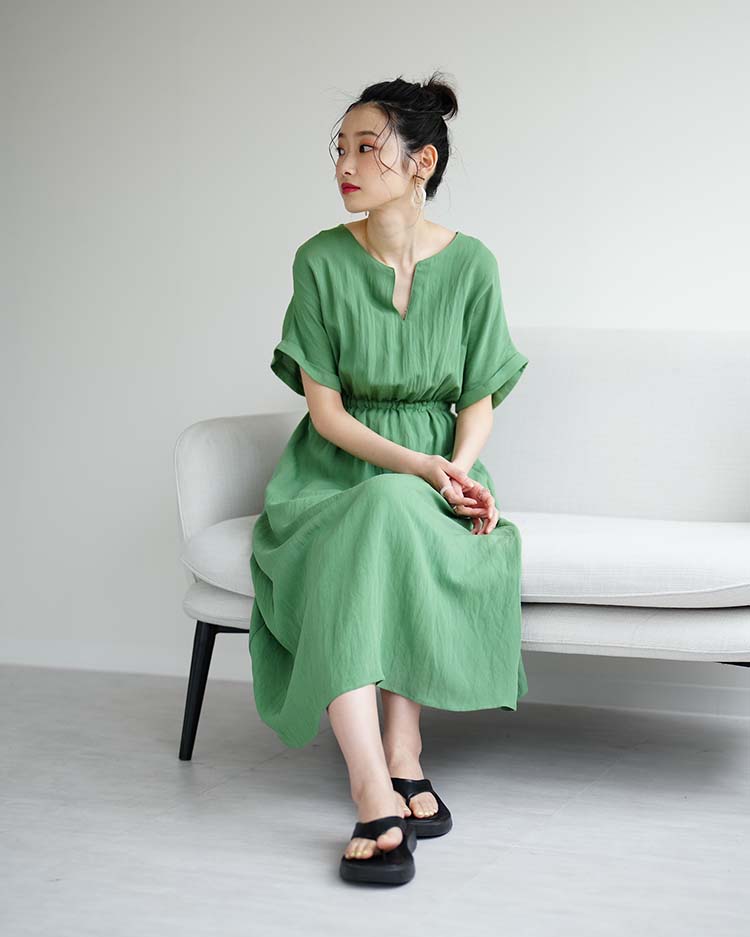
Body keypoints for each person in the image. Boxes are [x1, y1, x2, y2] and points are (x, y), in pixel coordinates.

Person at [249, 71, 530, 886]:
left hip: (440, 470)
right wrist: (420, 469)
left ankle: (404, 749)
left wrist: (458, 474)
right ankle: (375, 787)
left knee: (397, 517)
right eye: (339, 148)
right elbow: (328, 415)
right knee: (381, 508)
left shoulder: (473, 265)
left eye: (367, 148)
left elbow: (477, 401)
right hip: (332, 475)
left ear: (420, 162)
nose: (345, 164)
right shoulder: (319, 260)